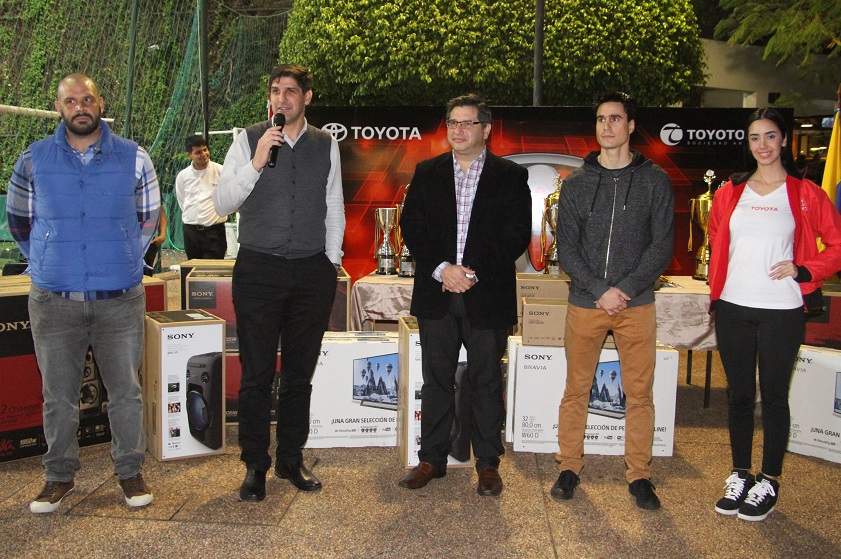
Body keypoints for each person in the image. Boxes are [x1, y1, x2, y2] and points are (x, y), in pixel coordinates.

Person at [6, 73, 159, 513]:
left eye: (87, 99)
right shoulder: (33, 158)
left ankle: (129, 472)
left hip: (119, 299)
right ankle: (59, 476)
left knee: (126, 392)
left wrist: (122, 259)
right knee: (58, 396)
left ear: (100, 103)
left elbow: (149, 219)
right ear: (59, 108)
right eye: (71, 101)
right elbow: (18, 222)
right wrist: (48, 259)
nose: (80, 107)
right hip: (54, 301)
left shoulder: (134, 157)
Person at [213, 64, 345, 501]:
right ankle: (255, 463)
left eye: (290, 91)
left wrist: (330, 262)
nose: (282, 98)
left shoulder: (326, 144)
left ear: (307, 97)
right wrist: (256, 162)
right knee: (255, 374)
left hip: (311, 271)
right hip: (259, 269)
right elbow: (222, 202)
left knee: (298, 375)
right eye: (275, 90)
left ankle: (290, 458)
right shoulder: (247, 139)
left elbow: (333, 205)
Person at [708, 107, 841, 521]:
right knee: (739, 396)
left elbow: (836, 245)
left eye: (770, 136)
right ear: (747, 144)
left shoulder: (806, 194)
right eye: (754, 137)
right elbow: (716, 238)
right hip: (733, 307)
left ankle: (769, 479)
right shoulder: (730, 192)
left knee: (775, 397)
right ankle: (740, 474)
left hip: (782, 310)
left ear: (783, 139)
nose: (762, 145)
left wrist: (805, 270)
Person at [397, 94, 531, 496]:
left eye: (467, 123)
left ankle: (488, 463)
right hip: (437, 291)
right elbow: (412, 227)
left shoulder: (510, 176)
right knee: (436, 379)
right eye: (452, 123)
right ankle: (431, 459)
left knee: (486, 380)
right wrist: (444, 269)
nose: (458, 130)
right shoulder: (428, 172)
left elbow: (515, 234)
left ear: (485, 129)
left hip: (486, 292)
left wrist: (470, 272)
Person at [552, 91, 674, 510]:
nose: (607, 126)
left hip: (636, 304)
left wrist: (625, 288)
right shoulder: (576, 184)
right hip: (586, 303)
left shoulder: (655, 180)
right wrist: (600, 290)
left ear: (631, 125)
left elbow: (661, 245)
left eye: (616, 118)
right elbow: (567, 248)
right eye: (601, 119)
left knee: (639, 394)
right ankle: (569, 466)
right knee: (576, 389)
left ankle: (639, 475)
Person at [176, 135, 227, 260]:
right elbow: (182, 200)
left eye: (205, 150)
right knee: (193, 268)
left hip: (214, 232)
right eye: (198, 152)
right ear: (190, 155)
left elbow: (228, 198)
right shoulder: (183, 176)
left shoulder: (221, 171)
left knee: (211, 269)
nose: (203, 154)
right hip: (191, 232)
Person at [143, 205, 167, 276]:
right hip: (127, 241)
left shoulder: (152, 199)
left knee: (146, 276)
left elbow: (160, 209)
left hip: (148, 242)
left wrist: (163, 234)